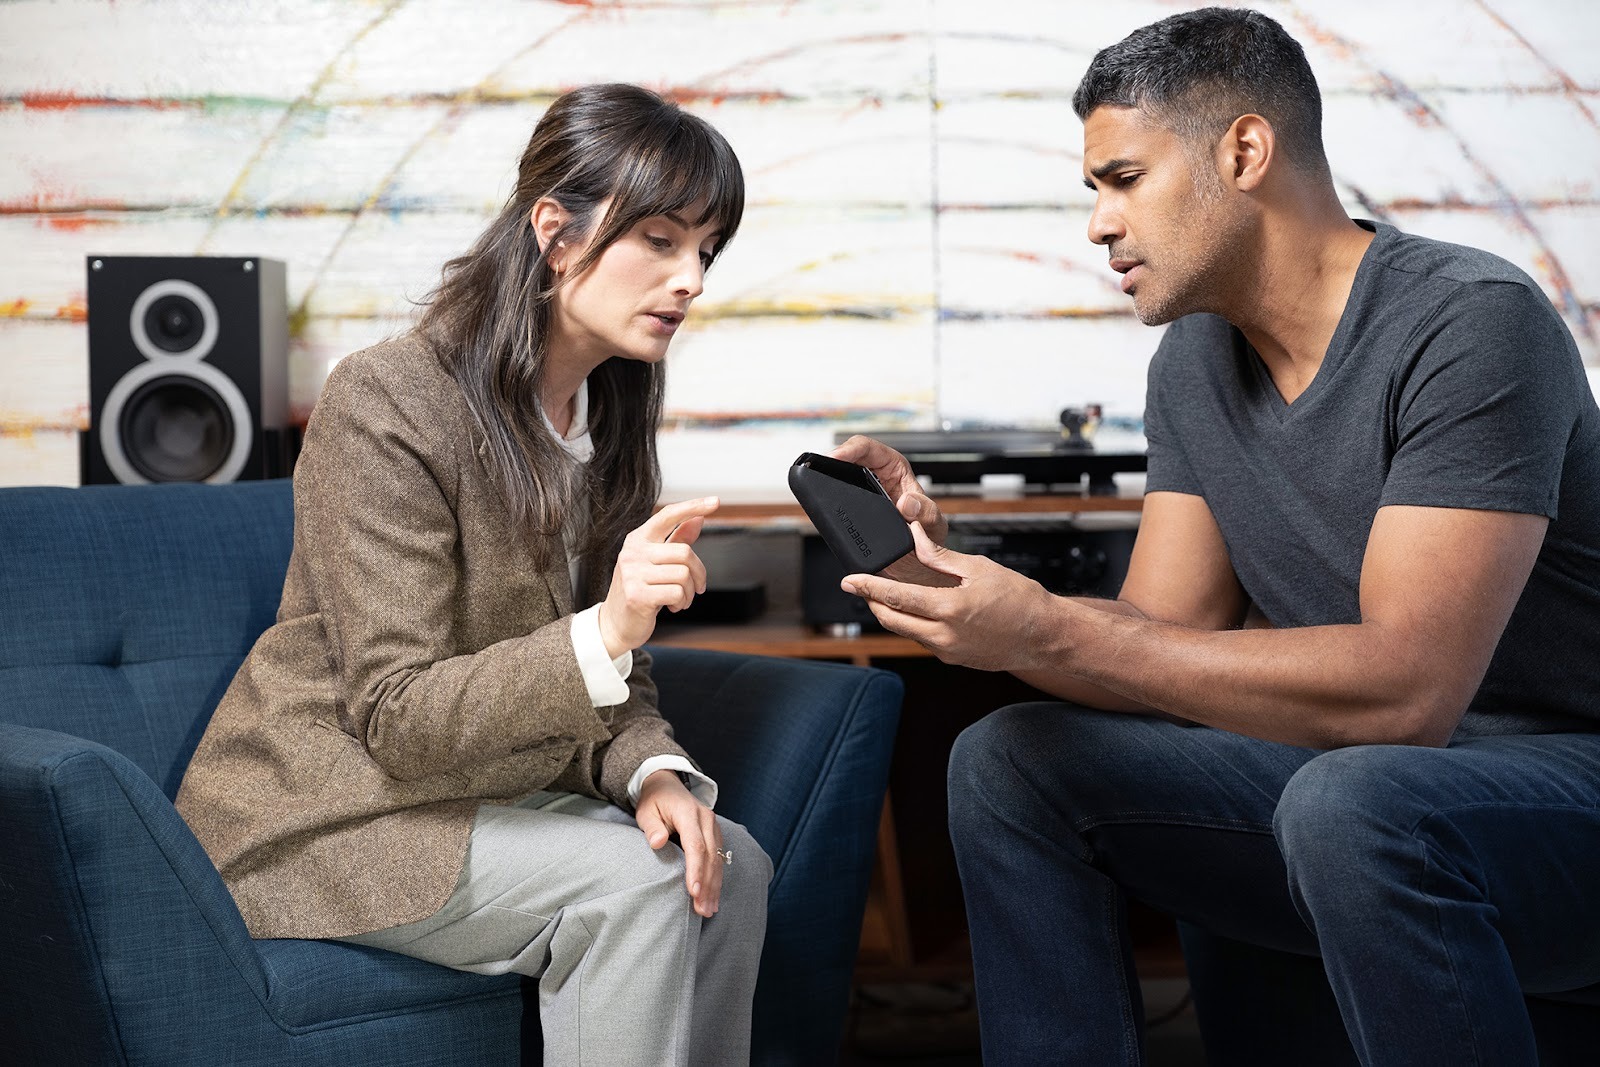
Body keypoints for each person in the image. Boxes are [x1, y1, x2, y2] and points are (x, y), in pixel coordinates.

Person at [834, 8, 1600, 1065]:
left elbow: (1408, 693)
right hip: (1352, 791)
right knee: (1009, 759)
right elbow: (1160, 632)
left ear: (1243, 151)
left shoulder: (1470, 321)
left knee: (1352, 795)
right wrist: (974, 592)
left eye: (1121, 179)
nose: (1098, 224)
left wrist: (1053, 632)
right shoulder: (1193, 359)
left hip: (1553, 789)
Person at [175, 83, 771, 1067]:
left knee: (729, 862)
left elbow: (606, 663)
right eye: (661, 239)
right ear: (557, 232)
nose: (691, 278)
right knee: (638, 884)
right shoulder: (386, 401)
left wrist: (652, 769)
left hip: (483, 792)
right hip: (332, 814)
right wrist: (611, 626)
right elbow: (400, 714)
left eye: (705, 250)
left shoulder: (611, 405)